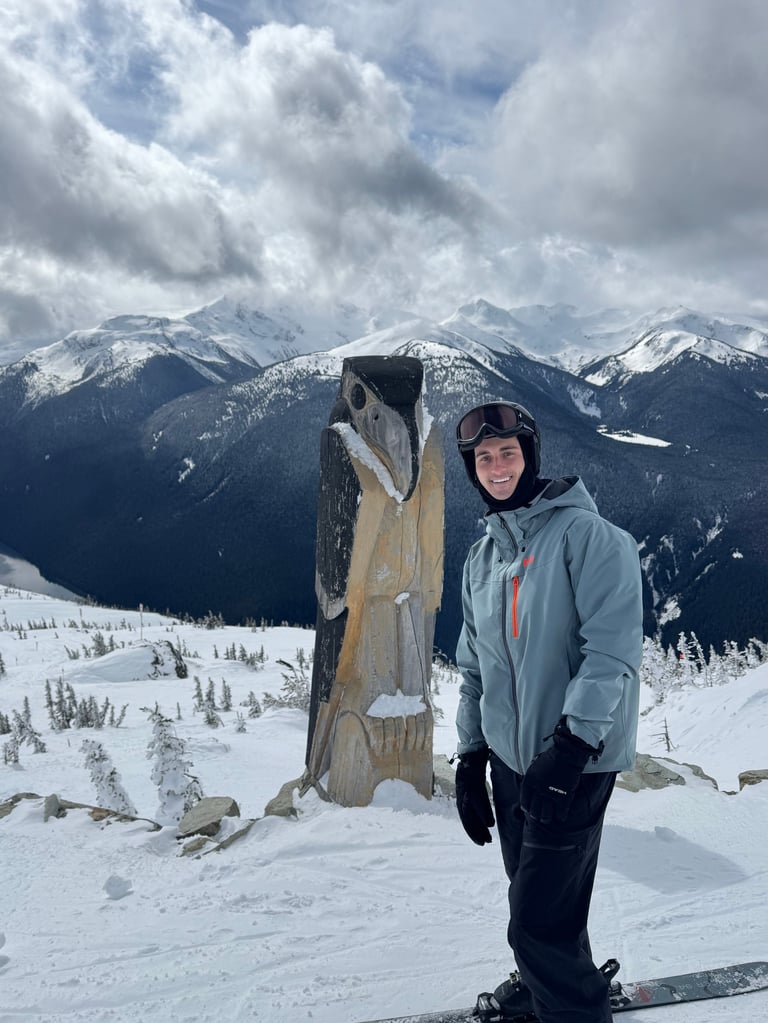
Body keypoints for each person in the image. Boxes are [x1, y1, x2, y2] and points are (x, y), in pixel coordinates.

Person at [453, 400, 643, 1023]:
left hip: (572, 762)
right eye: (484, 458)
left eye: (508, 453)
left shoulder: (589, 539)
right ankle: (549, 988)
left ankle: (571, 1006)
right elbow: (475, 666)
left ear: (529, 457)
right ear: (473, 470)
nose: (497, 465)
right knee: (541, 905)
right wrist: (471, 755)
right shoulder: (481, 560)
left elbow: (611, 652)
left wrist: (571, 746)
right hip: (511, 761)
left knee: (534, 923)